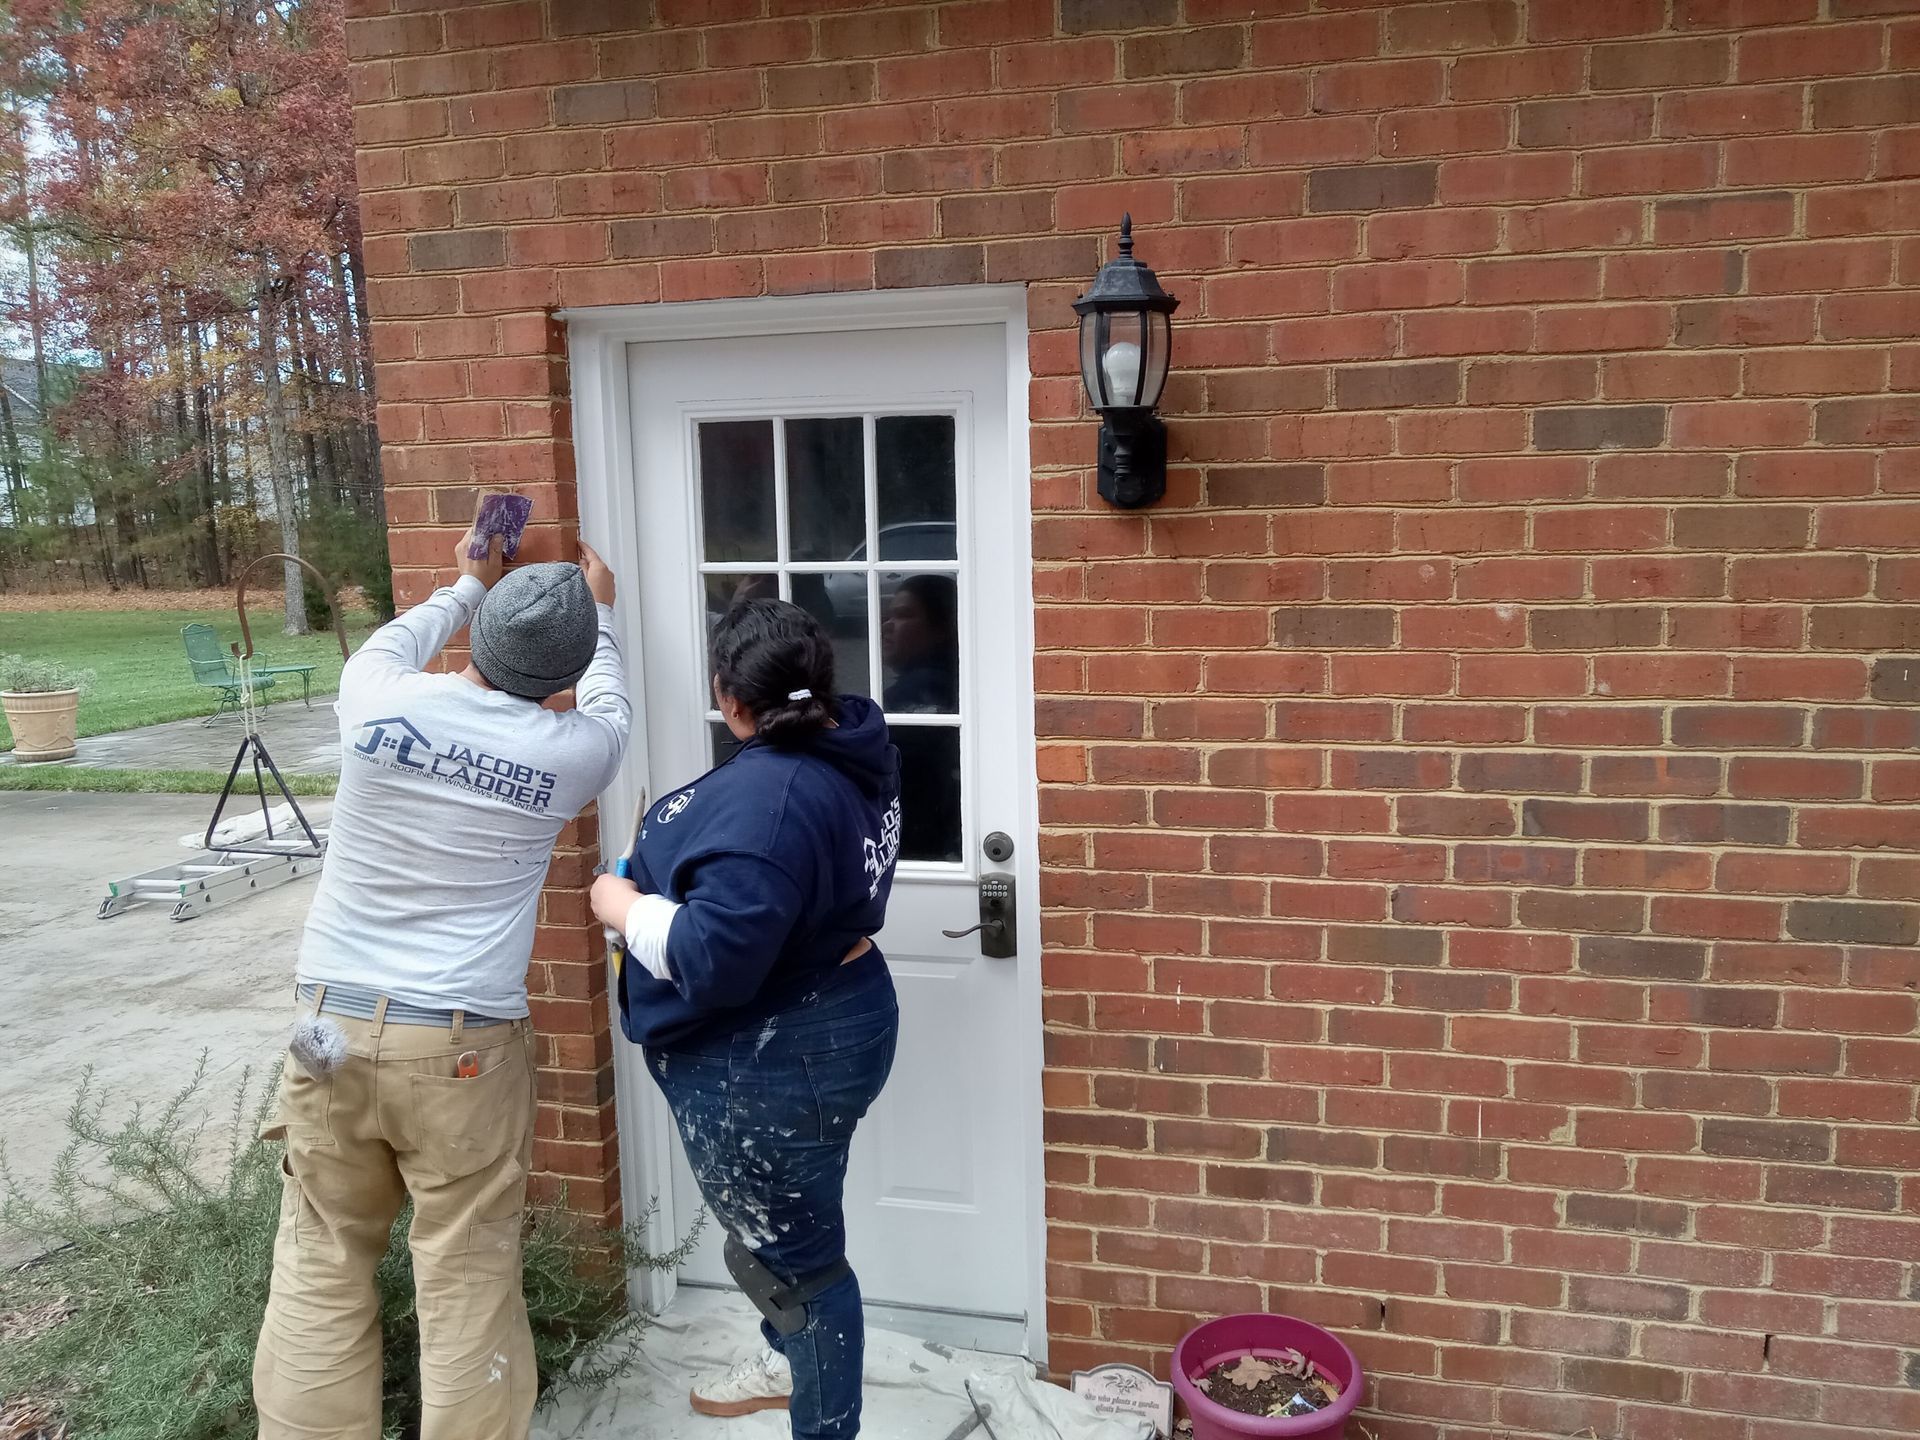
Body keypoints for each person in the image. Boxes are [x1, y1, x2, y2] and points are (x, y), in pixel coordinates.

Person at [253, 531, 631, 1440]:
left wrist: (470, 578)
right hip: (459, 1042)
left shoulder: (375, 695)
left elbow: (401, 634)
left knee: (321, 1259)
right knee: (465, 1273)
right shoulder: (573, 754)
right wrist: (603, 610)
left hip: (328, 1029)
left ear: (483, 638)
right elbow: (613, 706)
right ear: (562, 674)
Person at [589, 597, 902, 1440]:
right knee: (785, 1234)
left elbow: (715, 958)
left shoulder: (773, 800)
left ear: (729, 697)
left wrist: (621, 904)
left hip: (778, 1051)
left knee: (801, 1267)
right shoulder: (854, 741)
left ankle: (823, 1422)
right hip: (837, 1009)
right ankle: (783, 1356)